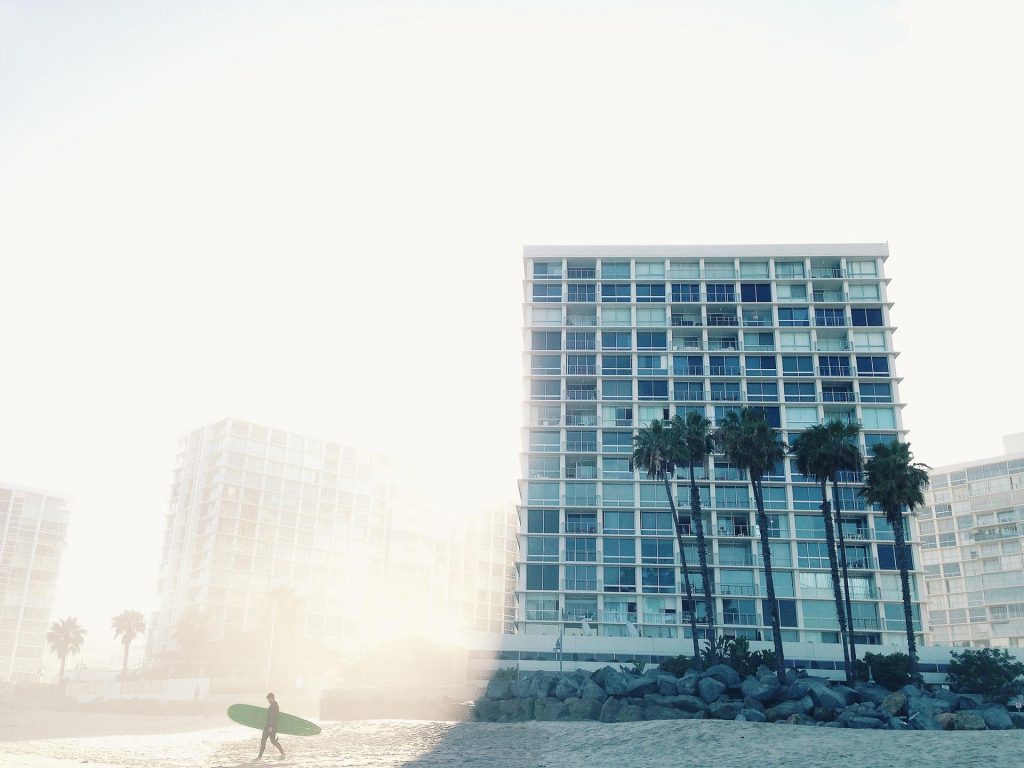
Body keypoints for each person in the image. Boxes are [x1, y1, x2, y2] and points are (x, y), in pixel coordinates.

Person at [256, 692, 285, 760]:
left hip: (270, 726)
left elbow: (273, 717)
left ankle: (259, 757)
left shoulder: (274, 705)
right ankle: (282, 753)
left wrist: (271, 727)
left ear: (271, 698)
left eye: (268, 699)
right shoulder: (273, 705)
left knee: (265, 740)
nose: (268, 701)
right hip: (270, 726)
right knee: (272, 741)